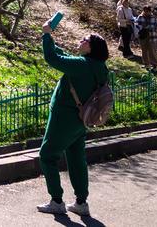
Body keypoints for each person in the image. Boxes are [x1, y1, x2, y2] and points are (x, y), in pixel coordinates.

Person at [36, 20, 110, 218]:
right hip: (82, 120)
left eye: (84, 40)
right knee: (77, 158)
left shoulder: (80, 65)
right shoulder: (100, 67)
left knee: (47, 155)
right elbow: (65, 58)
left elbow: (52, 58)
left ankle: (56, 201)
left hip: (64, 118)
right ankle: (81, 202)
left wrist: (45, 34)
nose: (80, 40)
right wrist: (50, 39)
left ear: (91, 47)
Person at [135, 6, 157, 71]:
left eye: (148, 11)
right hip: (143, 36)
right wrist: (142, 28)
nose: (146, 12)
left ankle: (154, 65)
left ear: (150, 11)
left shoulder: (153, 17)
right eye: (145, 11)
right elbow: (136, 24)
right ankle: (147, 64)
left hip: (152, 36)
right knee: (144, 50)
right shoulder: (140, 17)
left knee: (152, 51)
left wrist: (151, 28)